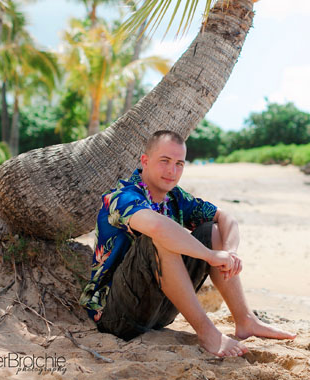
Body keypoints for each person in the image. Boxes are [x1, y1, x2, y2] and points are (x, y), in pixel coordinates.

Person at [79, 130, 295, 357]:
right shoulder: (122, 196)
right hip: (117, 316)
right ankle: (207, 332)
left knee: (211, 230)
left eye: (179, 164)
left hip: (161, 312)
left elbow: (226, 218)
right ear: (145, 161)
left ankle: (245, 320)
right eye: (164, 161)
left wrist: (230, 252)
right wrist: (210, 256)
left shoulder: (176, 198)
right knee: (161, 236)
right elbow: (158, 228)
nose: (172, 171)